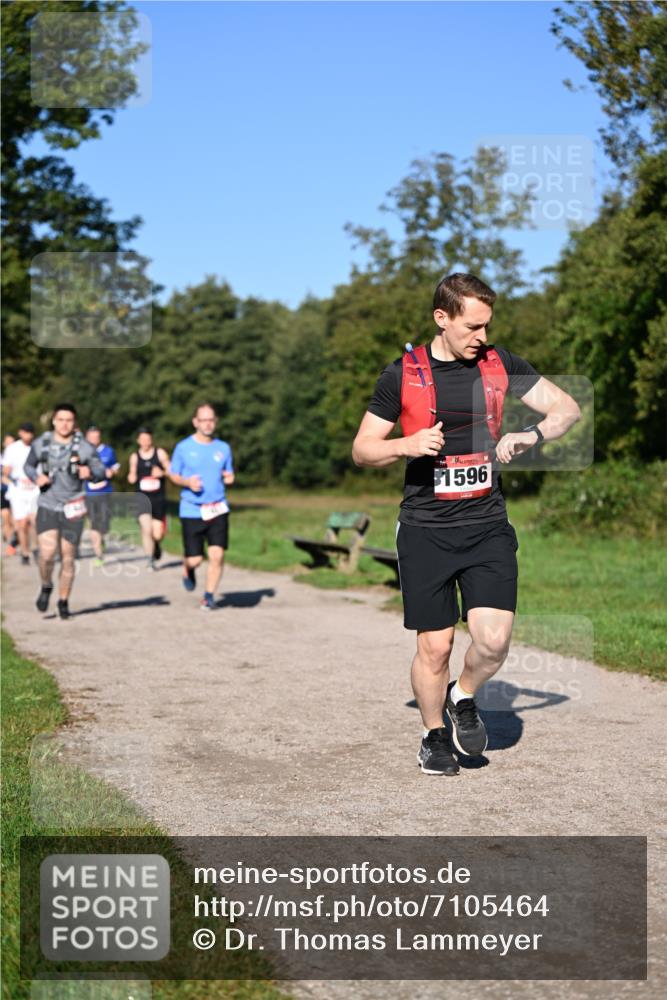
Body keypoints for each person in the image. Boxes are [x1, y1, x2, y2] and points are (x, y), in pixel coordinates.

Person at [352, 273, 581, 776]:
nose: (481, 336)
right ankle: (433, 736)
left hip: (485, 523)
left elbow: (567, 407)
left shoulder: (501, 364)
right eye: (472, 327)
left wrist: (533, 433)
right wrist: (404, 446)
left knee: (494, 640)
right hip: (426, 527)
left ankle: (465, 694)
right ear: (442, 318)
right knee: (436, 645)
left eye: (486, 326)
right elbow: (362, 448)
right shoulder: (402, 374)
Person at [24, 403, 107, 619]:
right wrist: (36, 477)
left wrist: (89, 472)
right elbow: (28, 466)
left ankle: (63, 601)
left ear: (74, 423)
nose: (64, 424)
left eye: (69, 420)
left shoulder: (85, 447)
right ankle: (45, 585)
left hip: (74, 506)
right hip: (48, 504)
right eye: (60, 419)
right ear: (54, 421)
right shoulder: (41, 443)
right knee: (47, 553)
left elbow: (101, 472)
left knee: (68, 557)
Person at [168, 403, 234, 610]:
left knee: (218, 555)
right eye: (203, 420)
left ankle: (208, 596)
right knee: (196, 559)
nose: (208, 424)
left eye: (211, 420)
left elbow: (228, 472)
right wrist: (187, 482)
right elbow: (173, 474)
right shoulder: (183, 447)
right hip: (191, 509)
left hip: (217, 507)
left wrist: (230, 477)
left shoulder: (223, 448)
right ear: (195, 422)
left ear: (215, 422)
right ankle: (188, 568)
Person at [127, 428, 170, 569]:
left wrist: (162, 473)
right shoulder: (134, 456)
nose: (145, 442)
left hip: (158, 498)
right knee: (146, 529)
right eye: (143, 439)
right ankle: (149, 559)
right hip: (142, 498)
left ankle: (156, 545)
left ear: (151, 440)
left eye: (148, 439)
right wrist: (131, 477)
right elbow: (131, 474)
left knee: (157, 534)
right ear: (138, 441)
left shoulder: (160, 453)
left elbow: (172, 471)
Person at [2, 423, 40, 565]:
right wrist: (12, 479)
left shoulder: (37, 447)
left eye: (31, 432)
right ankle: (25, 552)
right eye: (26, 432)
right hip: (19, 489)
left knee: (34, 521)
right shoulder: (12, 449)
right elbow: (6, 471)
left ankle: (35, 548)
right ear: (20, 433)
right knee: (22, 524)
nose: (28, 435)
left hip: (34, 489)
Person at [84, 425, 121, 566]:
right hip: (89, 492)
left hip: (106, 491)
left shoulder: (108, 451)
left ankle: (102, 537)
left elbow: (116, 467)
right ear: (87, 438)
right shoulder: (82, 452)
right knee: (94, 522)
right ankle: (98, 555)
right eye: (91, 437)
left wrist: (112, 472)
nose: (94, 440)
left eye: (96, 437)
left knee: (105, 524)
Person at [1, 433, 17, 554]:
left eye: (13, 442)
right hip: (3, 491)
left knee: (15, 520)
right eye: (8, 443)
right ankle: (10, 545)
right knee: (6, 517)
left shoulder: (19, 456)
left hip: (16, 492)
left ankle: (14, 540)